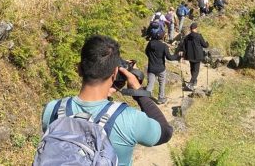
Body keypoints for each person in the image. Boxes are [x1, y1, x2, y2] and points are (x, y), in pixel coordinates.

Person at [40, 35, 173, 166]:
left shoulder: (52, 109)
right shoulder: (129, 119)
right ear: (115, 73)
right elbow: (165, 132)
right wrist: (139, 93)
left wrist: (108, 92)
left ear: (79, 69)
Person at [145, 31, 180, 104]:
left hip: (151, 67)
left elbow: (146, 52)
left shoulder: (150, 43)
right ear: (163, 37)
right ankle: (161, 98)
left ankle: (146, 100)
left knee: (150, 83)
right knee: (162, 83)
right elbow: (169, 57)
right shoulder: (164, 46)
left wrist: (151, 58)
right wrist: (177, 56)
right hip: (161, 68)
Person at [178, 23, 209, 90]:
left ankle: (194, 82)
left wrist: (183, 54)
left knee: (192, 69)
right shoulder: (199, 36)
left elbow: (183, 46)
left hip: (190, 55)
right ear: (195, 28)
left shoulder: (187, 37)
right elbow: (204, 45)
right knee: (196, 70)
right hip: (198, 55)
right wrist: (207, 43)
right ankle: (190, 83)